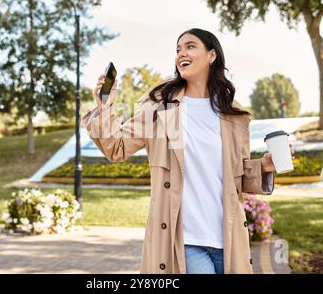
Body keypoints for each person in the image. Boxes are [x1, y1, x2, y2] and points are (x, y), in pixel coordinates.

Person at [82, 28, 291, 274]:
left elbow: (235, 176)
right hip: (185, 239)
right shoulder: (160, 107)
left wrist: (264, 166)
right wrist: (105, 107)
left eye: (190, 46)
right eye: (178, 49)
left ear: (211, 55)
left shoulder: (234, 114)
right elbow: (116, 148)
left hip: (228, 237)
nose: (182, 52)